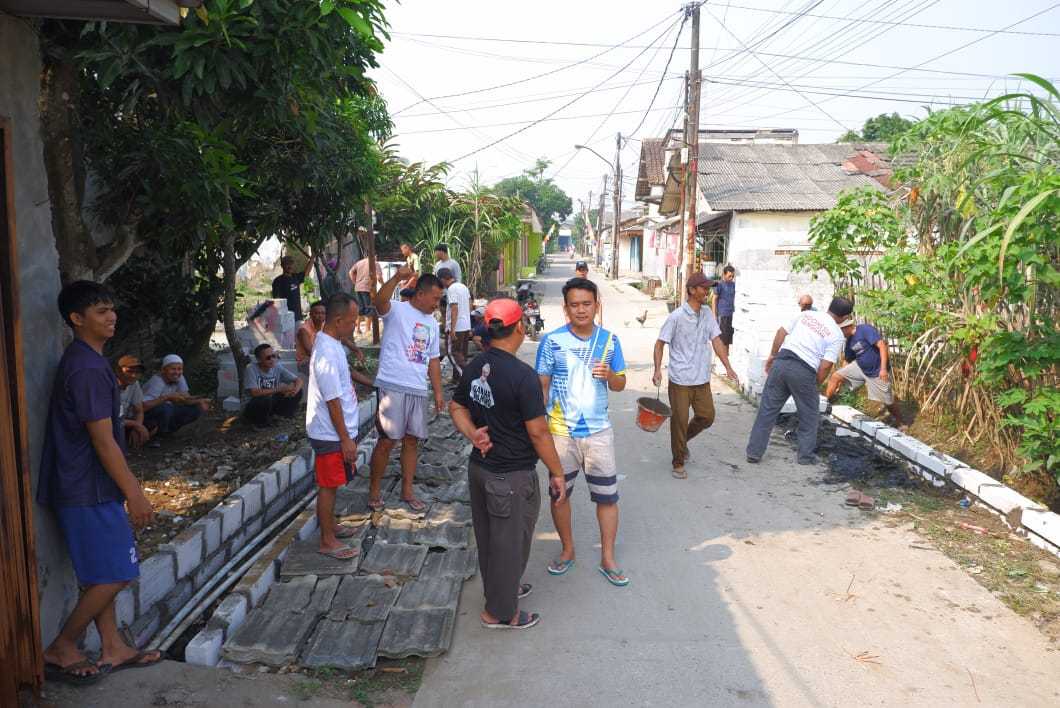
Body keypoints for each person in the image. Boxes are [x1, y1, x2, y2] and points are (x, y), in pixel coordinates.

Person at [38, 281, 161, 685]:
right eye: (98, 311)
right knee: (115, 573)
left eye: (111, 308)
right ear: (76, 319)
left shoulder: (85, 361)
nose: (110, 316)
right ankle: (63, 645)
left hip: (86, 485)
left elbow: (98, 427)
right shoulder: (88, 368)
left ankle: (113, 646)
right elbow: (102, 440)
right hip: (85, 487)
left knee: (101, 571)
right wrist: (135, 493)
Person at [450, 298, 567, 630]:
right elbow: (539, 432)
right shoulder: (523, 376)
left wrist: (473, 433)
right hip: (509, 475)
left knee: (493, 539)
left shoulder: (476, 366)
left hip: (481, 469)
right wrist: (557, 472)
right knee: (508, 542)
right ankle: (501, 613)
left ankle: (505, 589)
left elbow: (456, 408)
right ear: (519, 327)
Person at [536, 277, 630, 586]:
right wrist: (539, 430)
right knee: (560, 495)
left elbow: (620, 384)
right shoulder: (552, 341)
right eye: (574, 305)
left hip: (598, 433)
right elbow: (542, 387)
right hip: (560, 433)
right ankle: (567, 551)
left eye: (586, 304)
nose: (580, 310)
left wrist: (610, 376)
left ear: (596, 306)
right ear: (566, 308)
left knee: (607, 498)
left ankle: (607, 558)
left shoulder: (609, 341)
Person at [367, 267, 445, 512]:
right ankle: (374, 491)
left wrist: (438, 392)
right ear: (420, 294)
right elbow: (379, 302)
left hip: (417, 388)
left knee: (412, 441)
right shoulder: (397, 310)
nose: (437, 304)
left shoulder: (432, 323)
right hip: (393, 385)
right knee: (388, 440)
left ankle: (407, 490)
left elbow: (433, 360)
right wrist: (396, 278)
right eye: (434, 298)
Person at [746, 297, 853, 465]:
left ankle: (753, 453)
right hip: (804, 370)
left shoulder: (807, 315)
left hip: (782, 362)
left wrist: (773, 356)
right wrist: (813, 383)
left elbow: (781, 332)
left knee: (767, 410)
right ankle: (805, 456)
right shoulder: (837, 334)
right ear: (845, 317)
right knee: (810, 415)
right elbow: (825, 366)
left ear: (829, 307)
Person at [652, 273, 740, 479]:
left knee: (707, 416)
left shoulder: (708, 313)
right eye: (703, 288)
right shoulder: (676, 317)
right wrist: (657, 369)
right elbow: (659, 344)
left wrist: (728, 366)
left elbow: (717, 340)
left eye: (708, 287)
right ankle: (678, 461)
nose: (707, 291)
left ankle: (682, 443)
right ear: (692, 290)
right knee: (680, 421)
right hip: (680, 379)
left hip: (701, 378)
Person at [306, 293, 364, 560]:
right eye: (352, 321)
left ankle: (331, 527)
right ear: (339, 320)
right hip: (330, 433)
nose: (355, 326)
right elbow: (332, 401)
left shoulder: (333, 343)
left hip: (338, 431)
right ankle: (326, 540)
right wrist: (345, 439)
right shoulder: (326, 352)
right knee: (328, 485)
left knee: (335, 482)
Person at [826, 320, 904, 426]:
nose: (840, 334)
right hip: (860, 368)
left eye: (840, 331)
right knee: (835, 376)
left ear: (846, 327)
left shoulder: (864, 330)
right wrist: (841, 378)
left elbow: (882, 346)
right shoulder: (849, 341)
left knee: (888, 401)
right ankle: (825, 404)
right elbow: (847, 360)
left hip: (877, 371)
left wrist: (883, 369)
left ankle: (901, 422)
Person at [141, 355, 209, 437]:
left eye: (179, 369)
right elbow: (143, 406)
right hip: (146, 415)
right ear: (163, 370)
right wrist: (167, 397)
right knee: (166, 408)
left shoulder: (179, 377)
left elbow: (186, 399)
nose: (176, 372)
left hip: (167, 410)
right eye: (173, 369)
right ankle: (157, 435)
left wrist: (199, 401)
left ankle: (168, 432)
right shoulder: (157, 381)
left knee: (195, 409)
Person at [296, 300, 365, 377]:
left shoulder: (324, 325)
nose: (320, 316)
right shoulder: (304, 330)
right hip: (306, 361)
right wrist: (333, 357)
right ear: (311, 314)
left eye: (323, 313)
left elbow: (343, 340)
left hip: (322, 358)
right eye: (317, 313)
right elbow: (311, 352)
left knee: (344, 351)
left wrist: (357, 350)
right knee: (338, 365)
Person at [243, 344, 304, 427]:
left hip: (271, 401)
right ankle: (260, 423)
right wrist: (279, 389)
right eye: (268, 358)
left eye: (274, 356)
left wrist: (294, 391)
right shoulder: (251, 368)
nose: (272, 360)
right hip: (254, 405)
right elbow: (254, 393)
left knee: (298, 390)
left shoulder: (277, 367)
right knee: (265, 399)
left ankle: (283, 417)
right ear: (259, 359)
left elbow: (298, 380)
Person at [438, 267, 472, 384]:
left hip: (456, 327)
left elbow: (454, 308)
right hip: (465, 325)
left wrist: (452, 329)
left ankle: (468, 377)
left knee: (452, 353)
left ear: (443, 279)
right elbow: (470, 304)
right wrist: (468, 322)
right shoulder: (463, 287)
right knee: (462, 354)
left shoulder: (451, 289)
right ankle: (457, 379)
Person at [115, 355, 152, 448]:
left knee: (152, 424)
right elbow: (111, 419)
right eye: (129, 371)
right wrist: (136, 425)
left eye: (137, 372)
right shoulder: (110, 385)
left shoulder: (134, 384)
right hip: (110, 423)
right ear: (118, 371)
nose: (134, 375)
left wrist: (137, 427)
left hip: (125, 421)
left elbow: (139, 410)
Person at [271, 254, 314, 322]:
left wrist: (312, 258)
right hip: (286, 318)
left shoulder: (295, 277)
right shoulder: (278, 281)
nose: (289, 266)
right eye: (287, 264)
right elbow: (276, 301)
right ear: (282, 265)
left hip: (298, 317)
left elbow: (306, 273)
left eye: (291, 264)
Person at [349, 255, 384, 334]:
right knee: (369, 309)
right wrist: (383, 284)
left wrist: (355, 282)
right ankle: (367, 330)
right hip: (368, 289)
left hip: (358, 288)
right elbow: (379, 277)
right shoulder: (375, 263)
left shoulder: (359, 262)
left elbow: (350, 272)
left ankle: (357, 329)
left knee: (360, 309)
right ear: (374, 255)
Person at [712, 265, 736, 357]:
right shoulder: (719, 284)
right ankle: (720, 355)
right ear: (724, 274)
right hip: (722, 314)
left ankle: (726, 354)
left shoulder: (733, 285)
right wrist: (714, 314)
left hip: (731, 313)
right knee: (722, 336)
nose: (731, 278)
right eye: (729, 276)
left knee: (729, 337)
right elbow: (714, 299)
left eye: (732, 276)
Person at [574, 260, 603, 325]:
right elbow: (565, 305)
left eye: (583, 270)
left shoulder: (593, 286)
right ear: (576, 271)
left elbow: (599, 303)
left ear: (587, 271)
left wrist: (600, 319)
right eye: (579, 270)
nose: (582, 272)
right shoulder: (571, 287)